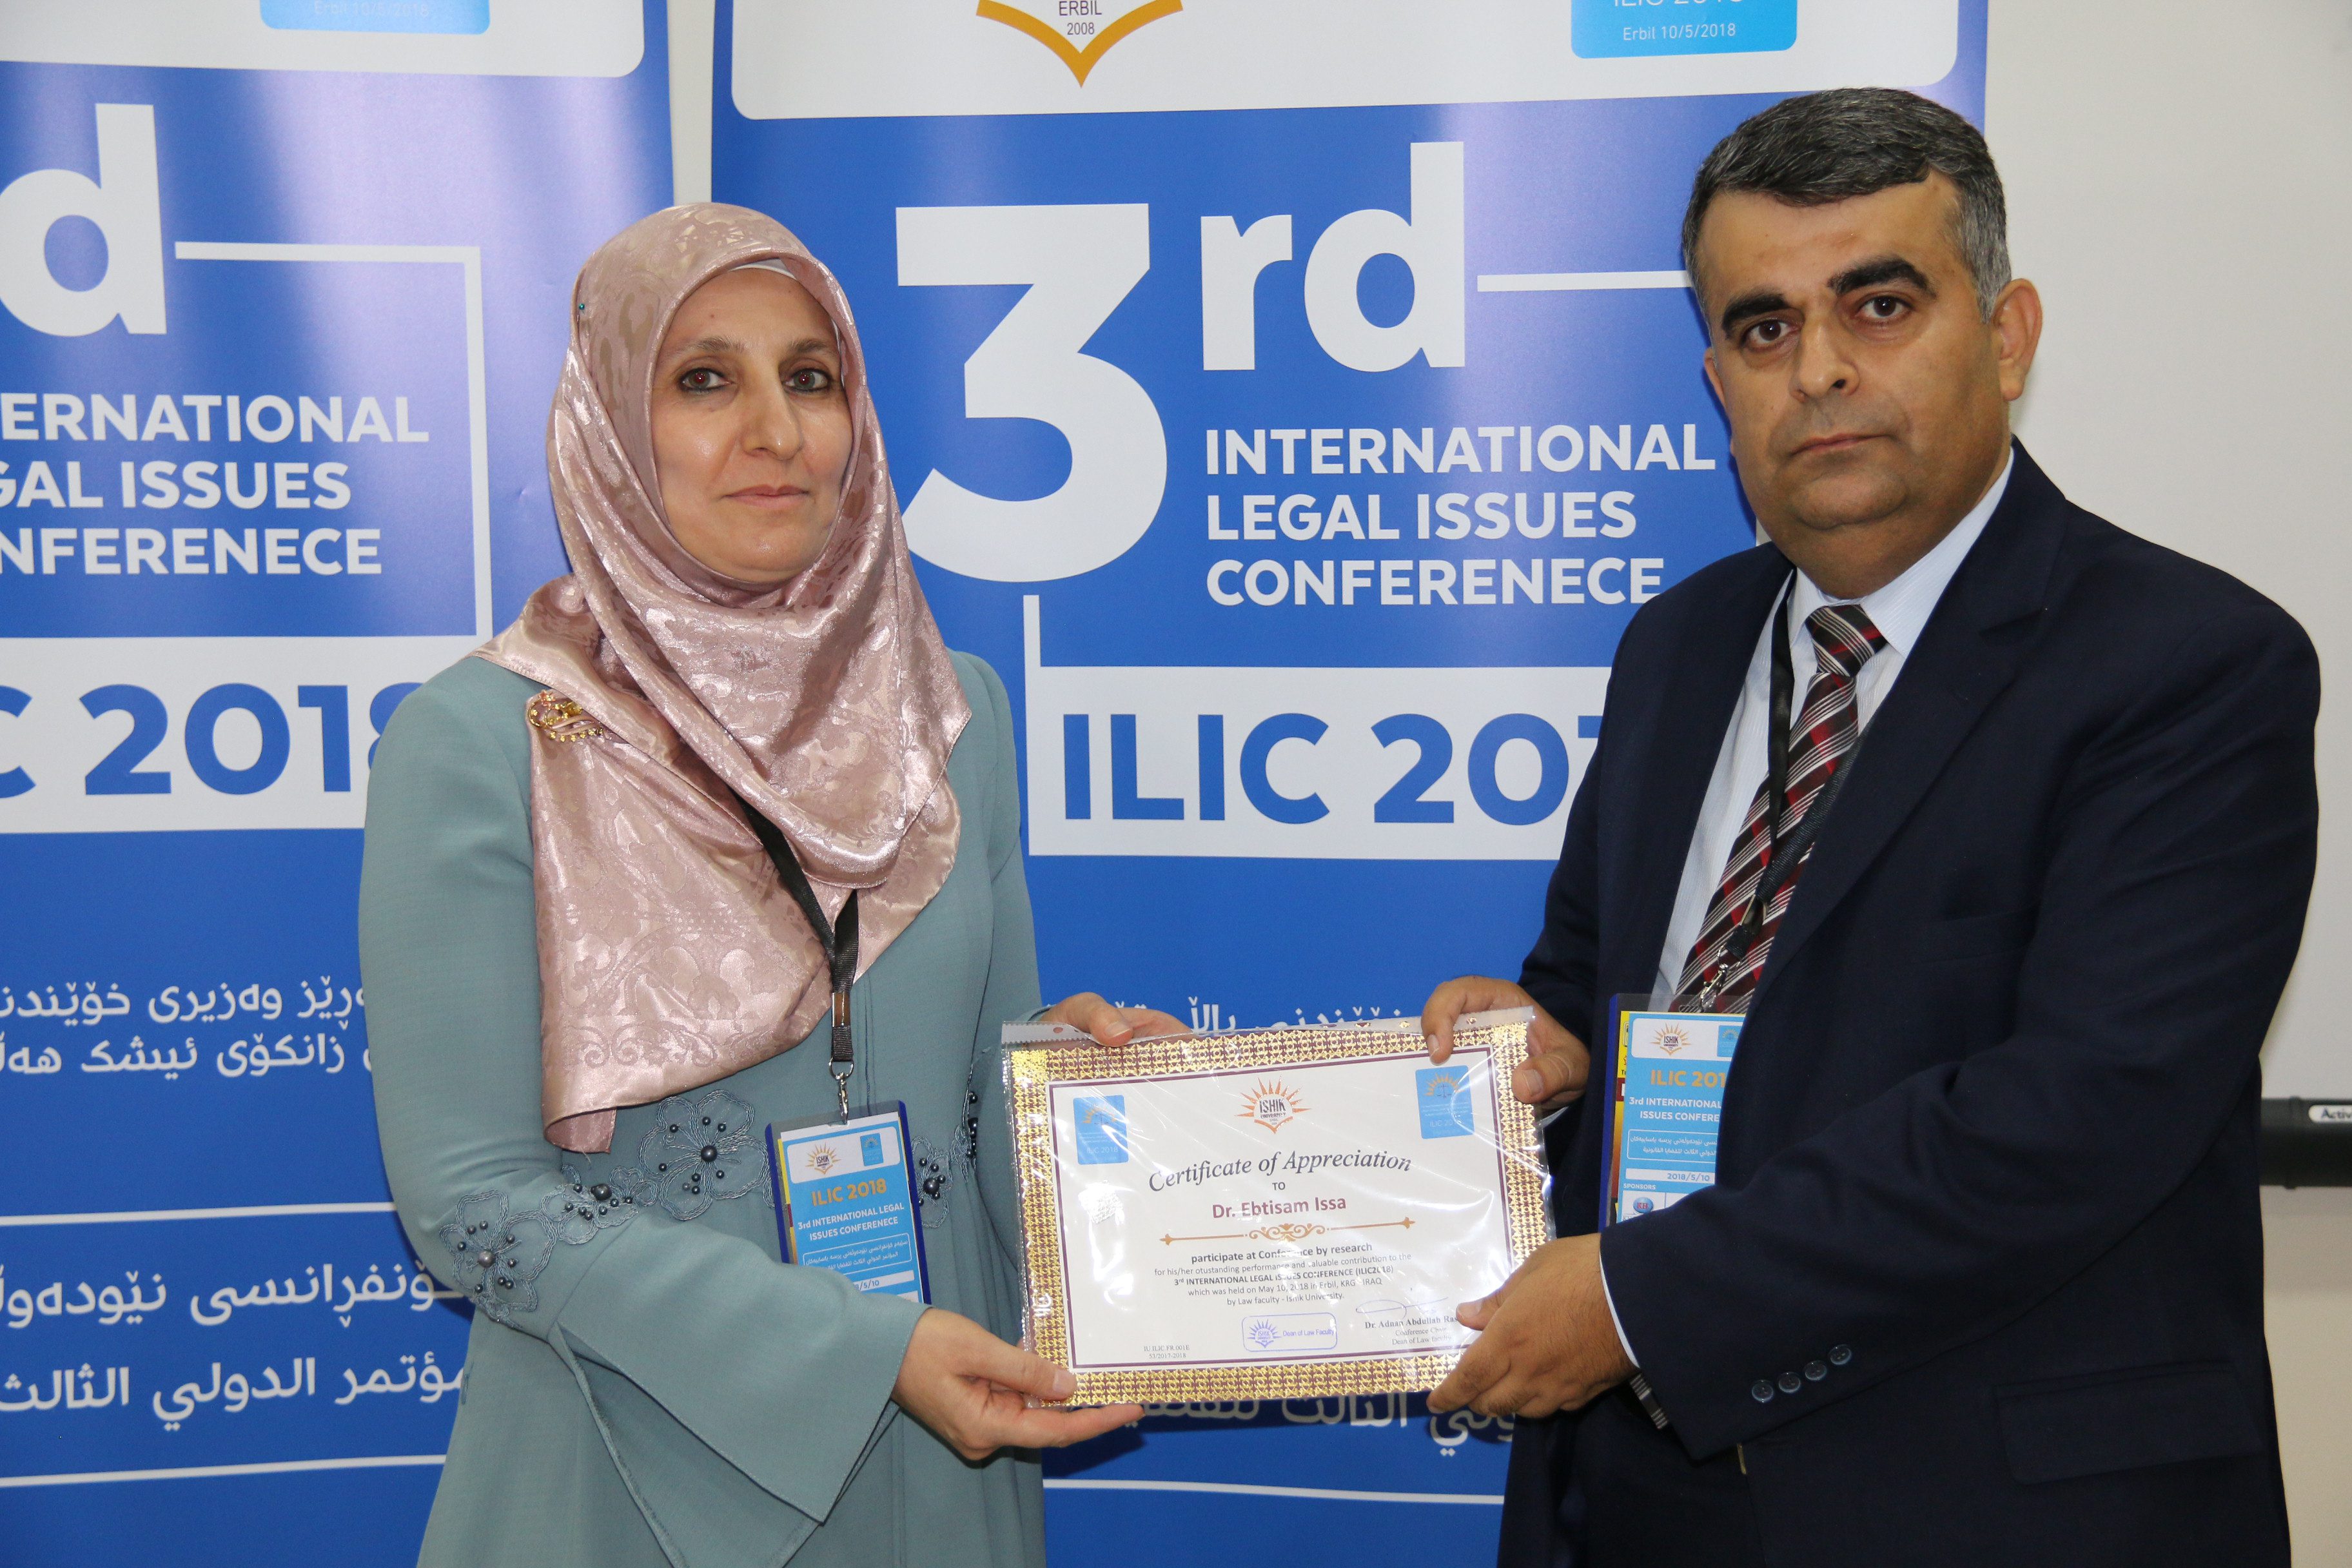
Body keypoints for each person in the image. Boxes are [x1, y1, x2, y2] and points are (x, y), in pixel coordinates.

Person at [1417, 88, 2315, 1567]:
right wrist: (1550, 1042)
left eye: (1879, 305)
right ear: (1718, 380)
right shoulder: (1676, 649)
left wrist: (1638, 1301)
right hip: (1644, 1494)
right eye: (1764, 327)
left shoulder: (2189, 665)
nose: (1821, 369)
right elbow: (1596, 981)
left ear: (2009, 336)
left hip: (1990, 1507)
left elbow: (2071, 1119)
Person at [359, 204, 1175, 1568]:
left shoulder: (954, 711)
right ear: (610, 427)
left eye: (810, 378)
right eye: (702, 380)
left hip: (943, 1458)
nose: (775, 430)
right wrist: (860, 1350)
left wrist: (1075, 1093)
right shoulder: (488, 740)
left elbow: (972, 1087)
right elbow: (474, 1205)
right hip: (634, 1469)